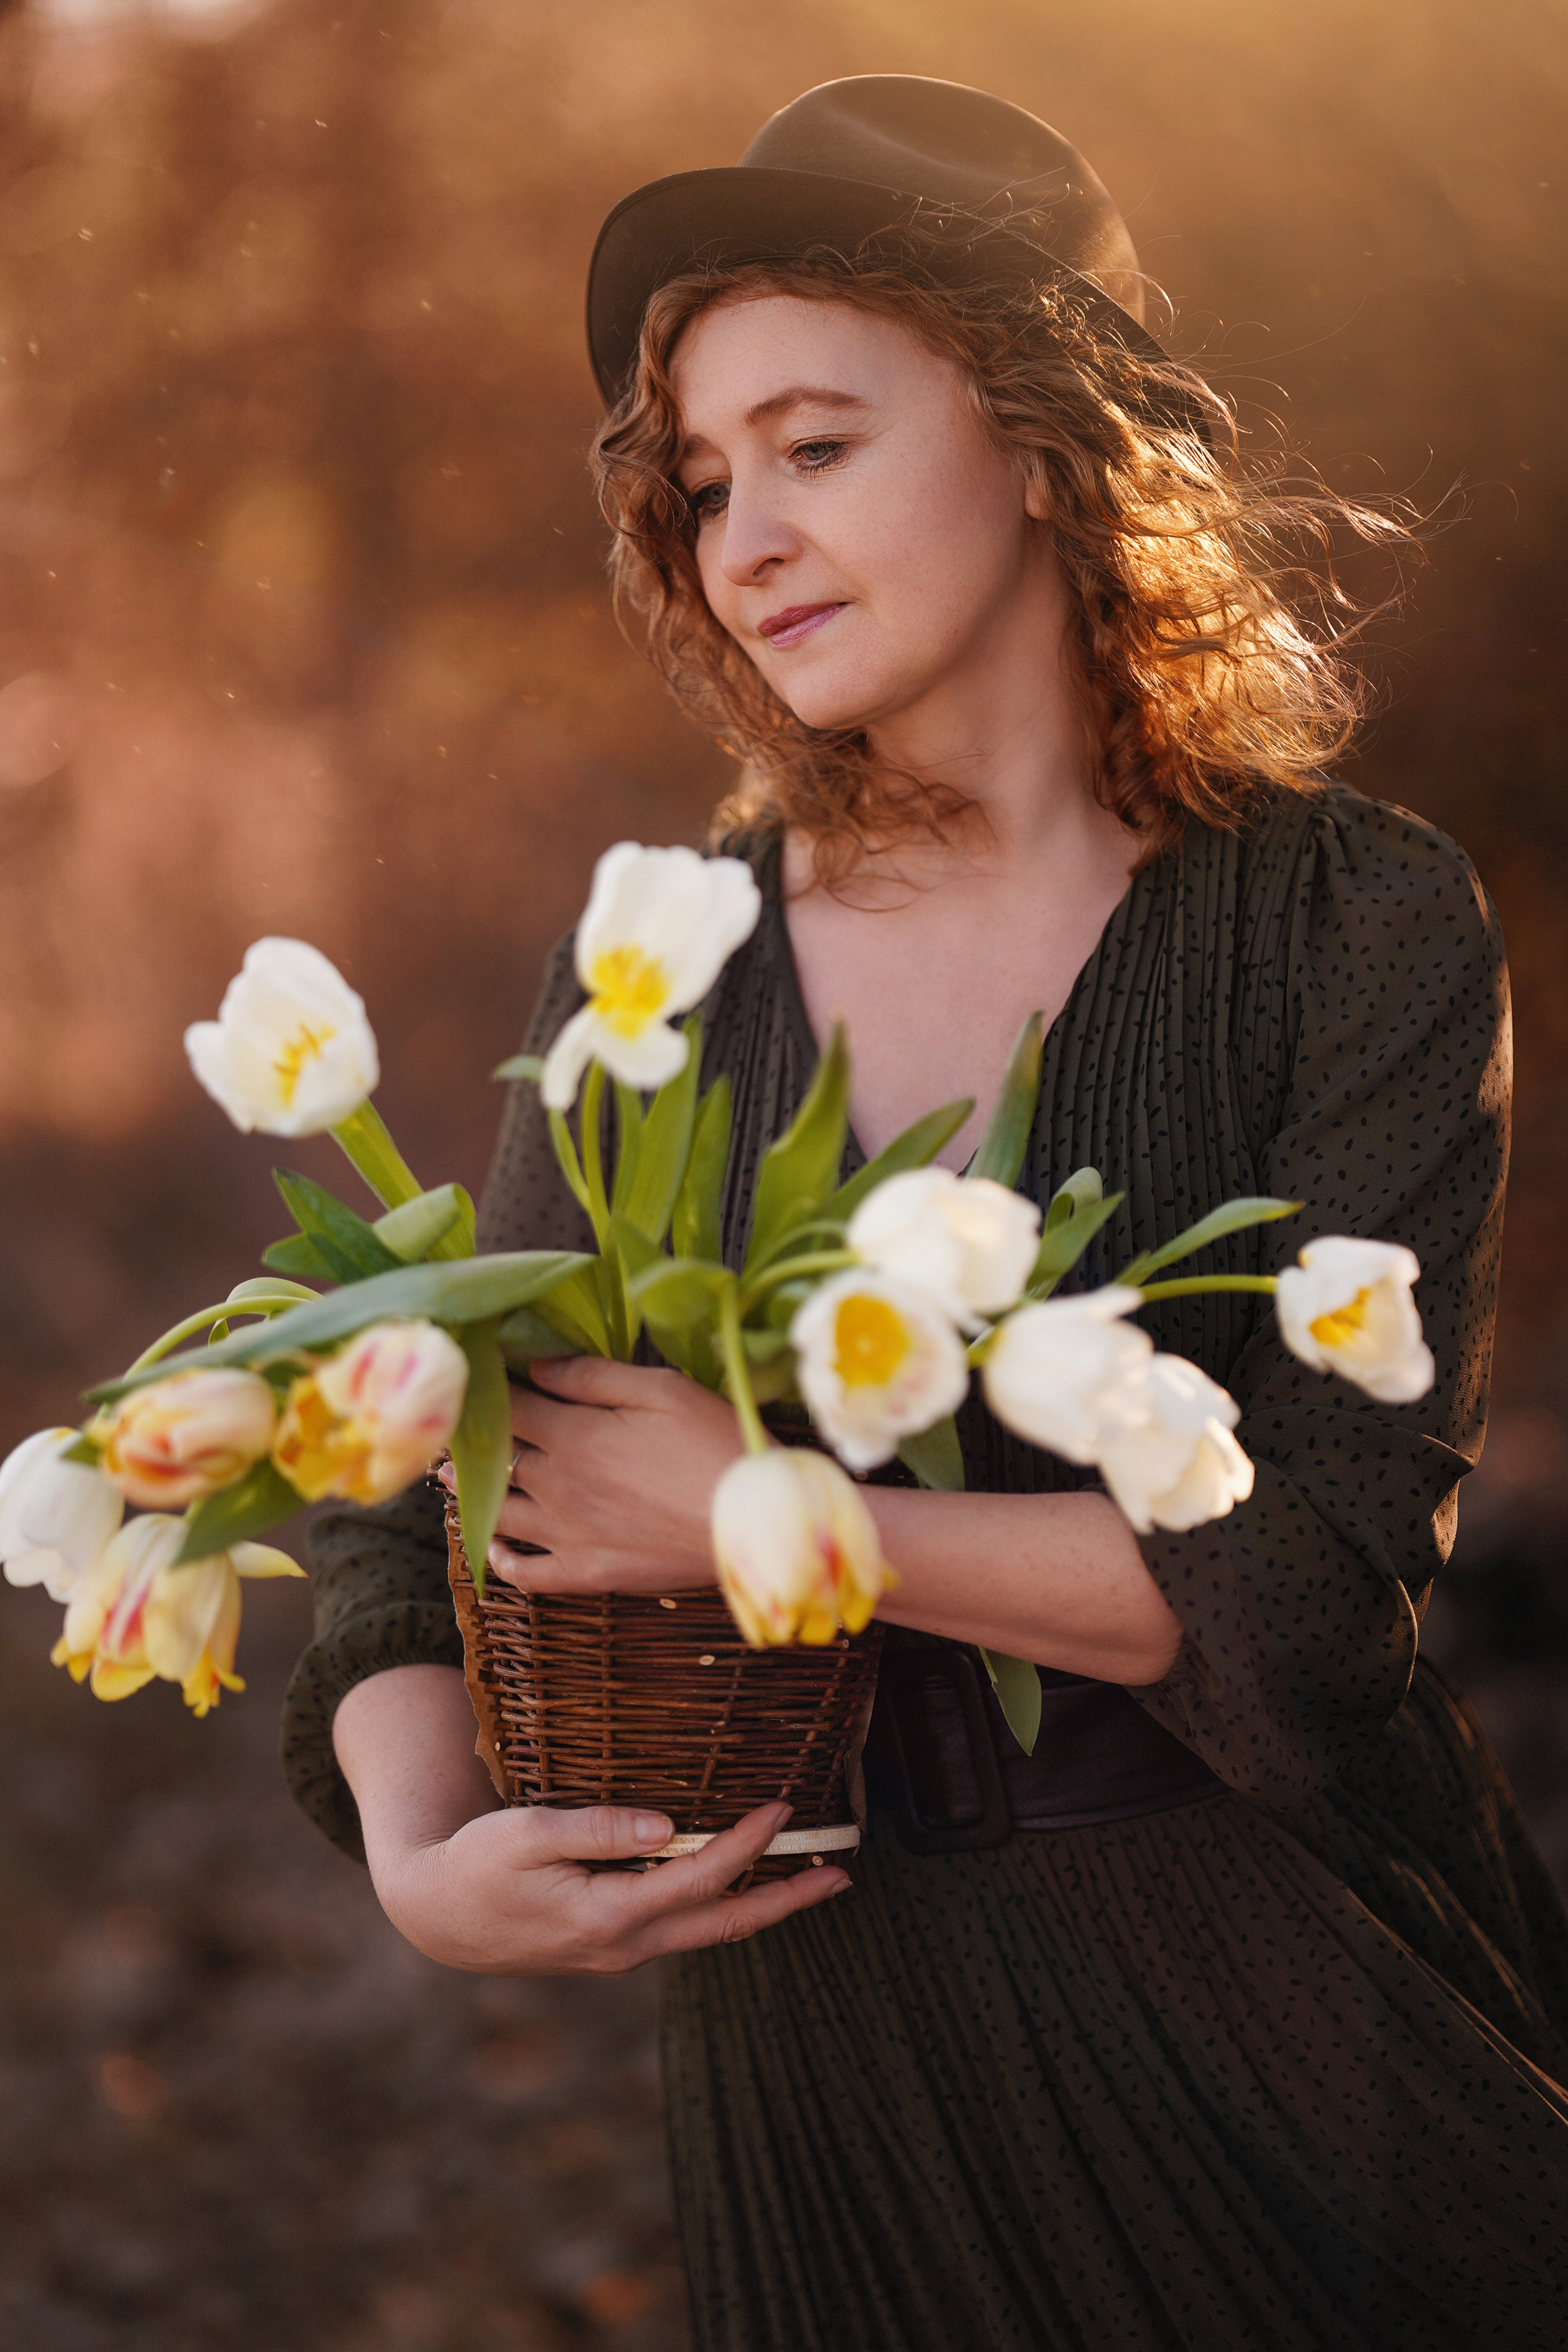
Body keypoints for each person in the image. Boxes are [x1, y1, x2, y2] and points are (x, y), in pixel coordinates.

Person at [282, 77, 1568, 2351]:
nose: (741, 535)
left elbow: (1319, 1593)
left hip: (1292, 2016)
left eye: (817, 441)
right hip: (825, 2060)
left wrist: (776, 1511)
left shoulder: (1351, 926)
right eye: (697, 485)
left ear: (1052, 439)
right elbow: (410, 1506)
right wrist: (419, 1858)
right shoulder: (671, 957)